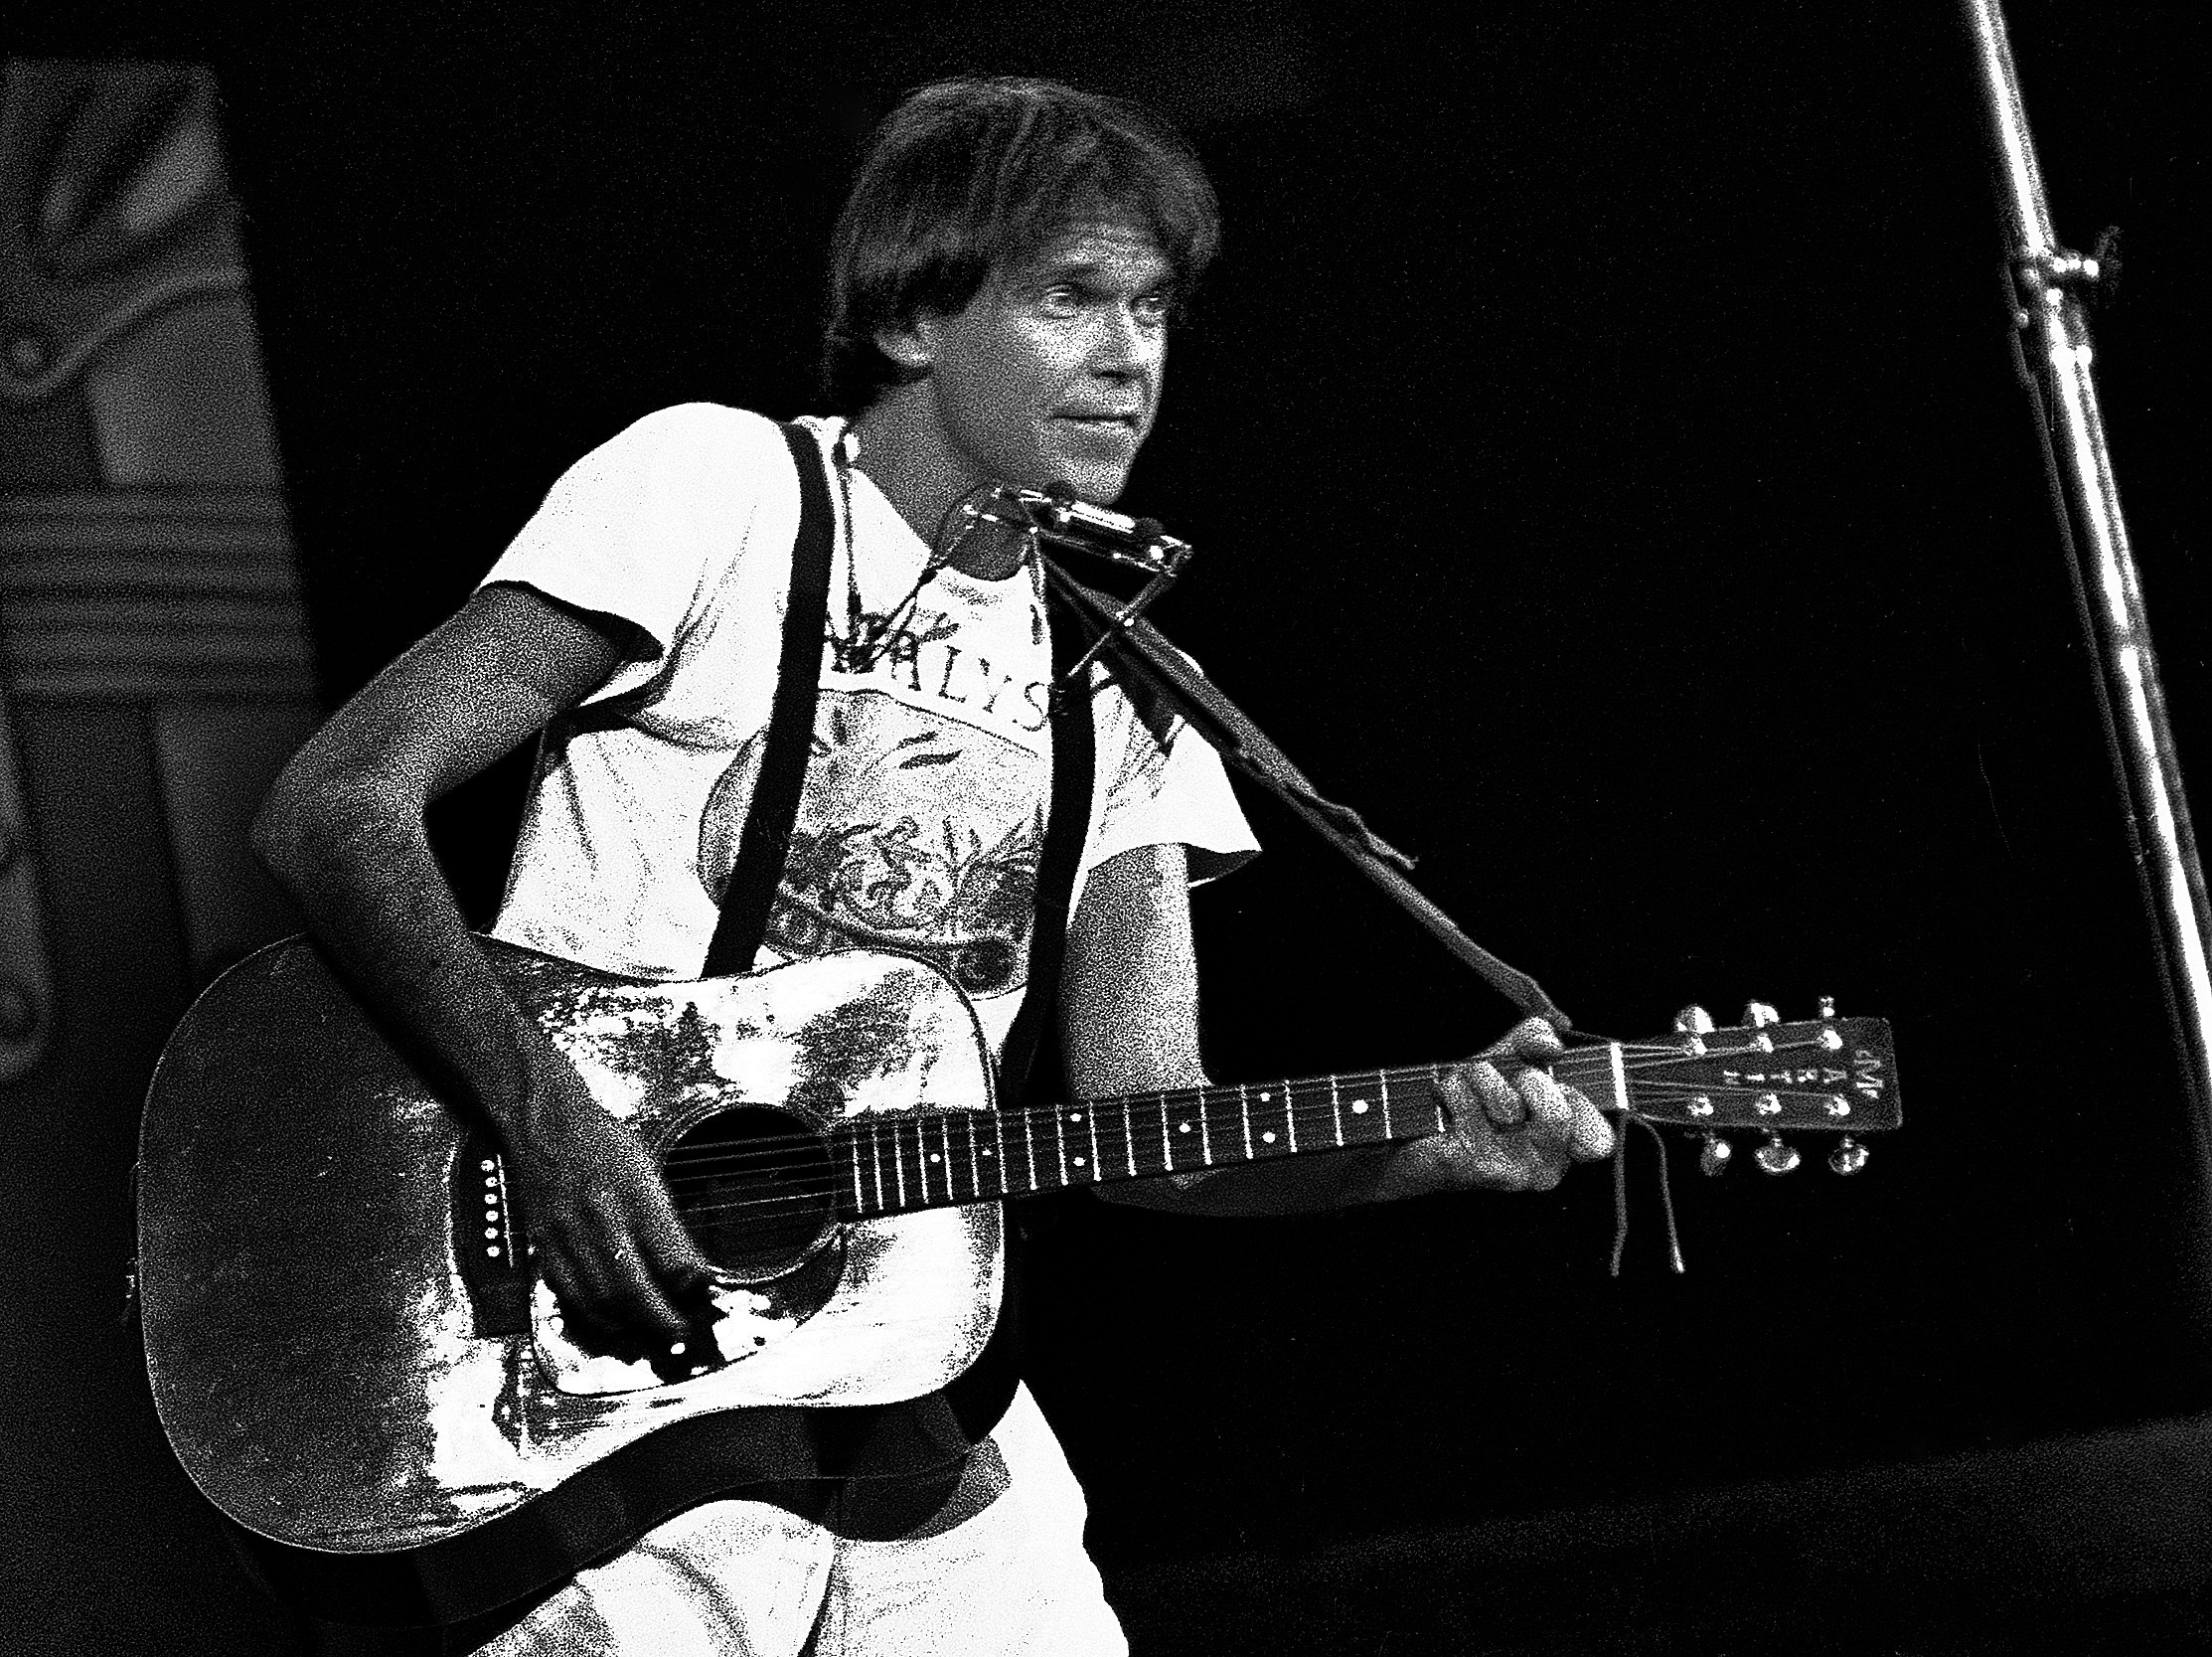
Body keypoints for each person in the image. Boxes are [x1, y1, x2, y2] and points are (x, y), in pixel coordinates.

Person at [252, 75, 1614, 1657]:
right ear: (914, 317)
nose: (1129, 361)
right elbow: (335, 805)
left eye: (1154, 309)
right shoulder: (719, 491)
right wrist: (548, 1128)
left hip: (902, 1397)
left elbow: (1143, 1130)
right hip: (591, 1383)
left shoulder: (1119, 683)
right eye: (1069, 299)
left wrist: (1424, 1149)